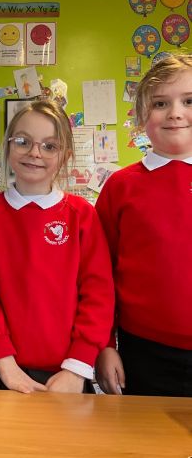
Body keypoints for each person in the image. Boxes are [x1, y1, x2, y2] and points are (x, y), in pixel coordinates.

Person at [0, 100, 114, 393]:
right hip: (3, 371)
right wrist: (5, 362)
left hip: (69, 374)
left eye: (49, 146)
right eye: (23, 141)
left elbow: (98, 294)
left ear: (65, 156)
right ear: (8, 146)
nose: (35, 153)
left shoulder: (81, 215)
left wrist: (77, 367)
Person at [95, 54, 192, 397]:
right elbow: (98, 274)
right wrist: (105, 344)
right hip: (144, 351)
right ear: (140, 117)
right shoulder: (121, 186)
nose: (175, 113)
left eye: (189, 101)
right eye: (160, 103)